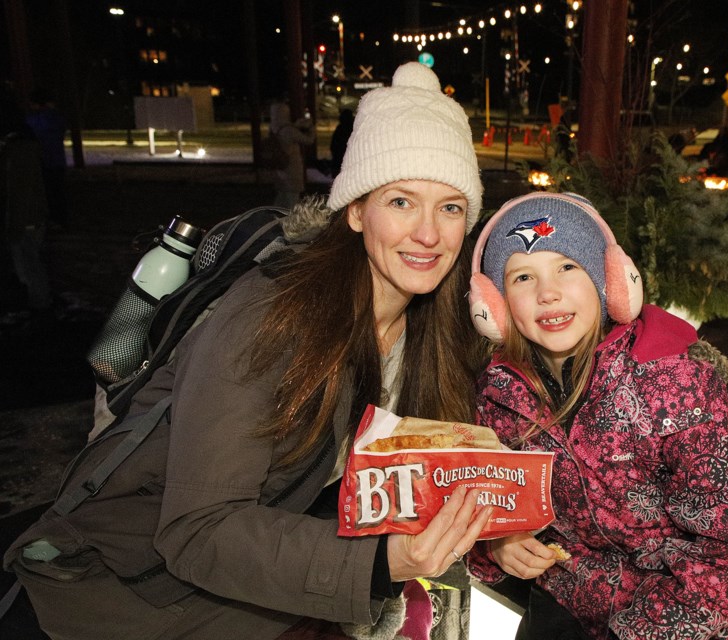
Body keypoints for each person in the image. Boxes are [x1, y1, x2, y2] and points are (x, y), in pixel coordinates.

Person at [6, 62, 491, 640]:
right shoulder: (269, 317)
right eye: (402, 201)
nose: (429, 234)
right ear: (357, 211)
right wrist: (382, 561)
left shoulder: (427, 332)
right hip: (122, 599)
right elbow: (197, 531)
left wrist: (494, 525)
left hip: (250, 598)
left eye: (451, 207)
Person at [465, 192, 728, 639]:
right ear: (495, 306)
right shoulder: (499, 393)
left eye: (568, 267)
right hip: (567, 593)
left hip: (686, 611)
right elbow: (489, 491)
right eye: (522, 276)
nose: (548, 293)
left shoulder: (675, 382)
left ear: (610, 282)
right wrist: (499, 540)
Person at [1, 83, 53, 322]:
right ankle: (38, 305)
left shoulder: (18, 149)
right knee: (28, 263)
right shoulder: (21, 144)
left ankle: (41, 307)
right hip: (28, 217)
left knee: (29, 264)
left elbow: (21, 190)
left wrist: (16, 224)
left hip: (27, 219)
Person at [25, 88, 68, 228]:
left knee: (50, 192)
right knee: (58, 190)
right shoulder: (55, 117)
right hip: (57, 159)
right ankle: (60, 218)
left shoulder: (36, 120)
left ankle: (54, 219)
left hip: (45, 159)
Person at [271, 100, 316, 209]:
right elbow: (309, 140)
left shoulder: (274, 128)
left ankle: (274, 220)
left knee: (281, 198)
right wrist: (310, 128)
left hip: (281, 168)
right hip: (292, 168)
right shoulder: (289, 131)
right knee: (292, 202)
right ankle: (291, 224)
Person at [330, 108, 354, 179]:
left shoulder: (339, 129)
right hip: (349, 161)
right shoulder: (353, 130)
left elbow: (333, 146)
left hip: (338, 160)